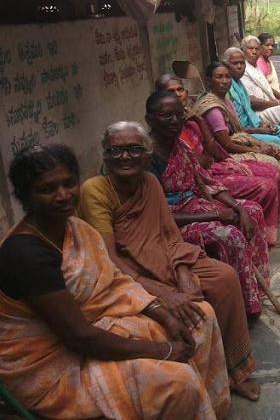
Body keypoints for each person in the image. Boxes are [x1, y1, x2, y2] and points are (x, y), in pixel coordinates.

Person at [0, 144, 230, 418]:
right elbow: (79, 336)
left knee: (199, 317)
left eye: (69, 184)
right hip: (52, 367)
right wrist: (164, 350)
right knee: (177, 383)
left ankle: (202, 410)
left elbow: (116, 282)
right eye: (47, 189)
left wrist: (164, 315)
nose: (63, 196)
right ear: (25, 196)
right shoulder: (25, 254)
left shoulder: (76, 229)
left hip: (95, 327)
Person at [78, 123, 262, 401]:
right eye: (116, 150)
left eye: (133, 149)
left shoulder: (150, 182)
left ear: (146, 155)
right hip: (129, 271)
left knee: (224, 277)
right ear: (105, 155)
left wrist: (183, 271)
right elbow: (110, 258)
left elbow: (169, 235)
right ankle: (201, 380)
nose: (125, 157)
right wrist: (162, 291)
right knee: (194, 308)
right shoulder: (95, 190)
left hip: (166, 257)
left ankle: (234, 371)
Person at [144, 91, 272, 318]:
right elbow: (157, 215)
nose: (174, 121)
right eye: (166, 116)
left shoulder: (180, 147)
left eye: (178, 115)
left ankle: (255, 288)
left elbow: (207, 182)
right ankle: (241, 303)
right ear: (150, 119)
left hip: (195, 204)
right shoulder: (147, 159)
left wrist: (237, 208)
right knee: (228, 235)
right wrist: (216, 216)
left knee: (252, 210)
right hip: (173, 222)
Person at [156, 73, 280, 244]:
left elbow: (213, 151)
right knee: (264, 185)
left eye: (180, 90)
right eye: (171, 91)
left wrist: (200, 122)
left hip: (209, 174)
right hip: (198, 186)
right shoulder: (168, 135)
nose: (178, 94)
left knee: (270, 172)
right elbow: (203, 160)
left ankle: (267, 229)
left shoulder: (191, 121)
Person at [193, 62, 280, 216]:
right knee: (270, 158)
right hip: (222, 155)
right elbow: (226, 144)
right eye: (219, 77)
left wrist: (259, 131)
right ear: (208, 80)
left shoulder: (224, 100)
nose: (225, 81)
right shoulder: (213, 108)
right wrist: (256, 149)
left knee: (275, 147)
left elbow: (237, 129)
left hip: (236, 141)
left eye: (227, 77)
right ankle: (276, 209)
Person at [221, 47, 280, 153]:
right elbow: (233, 127)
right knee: (275, 141)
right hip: (239, 133)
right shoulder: (225, 88)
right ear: (226, 65)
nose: (239, 66)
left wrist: (262, 124)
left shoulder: (240, 84)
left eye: (242, 63)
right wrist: (259, 130)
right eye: (234, 63)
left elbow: (249, 111)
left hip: (252, 126)